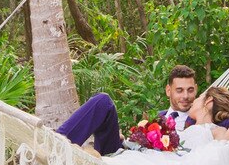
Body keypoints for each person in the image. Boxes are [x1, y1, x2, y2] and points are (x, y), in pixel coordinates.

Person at [55, 63, 202, 156]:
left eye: (190, 90)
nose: (185, 96)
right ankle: (56, 142)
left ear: (196, 89)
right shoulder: (156, 117)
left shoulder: (202, 121)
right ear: (168, 91)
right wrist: (125, 140)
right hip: (125, 155)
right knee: (103, 101)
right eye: (180, 90)